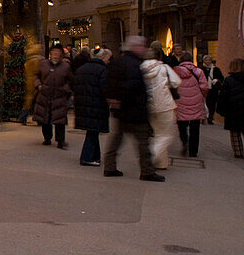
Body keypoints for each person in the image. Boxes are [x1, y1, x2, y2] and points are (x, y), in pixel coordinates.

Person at [104, 35, 162, 181]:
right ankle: (147, 171)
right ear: (136, 47)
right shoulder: (134, 64)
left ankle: (109, 167)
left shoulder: (118, 61)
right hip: (134, 110)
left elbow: (108, 82)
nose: (144, 49)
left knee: (116, 140)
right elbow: (132, 86)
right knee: (143, 142)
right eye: (142, 46)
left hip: (122, 110)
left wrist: (114, 99)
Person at [141, 46, 181, 170]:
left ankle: (161, 163)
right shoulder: (164, 68)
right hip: (165, 104)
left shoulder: (141, 68)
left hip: (149, 106)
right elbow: (176, 82)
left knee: (157, 134)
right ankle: (152, 155)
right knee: (167, 135)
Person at [72, 47, 111, 166]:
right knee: (93, 131)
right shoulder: (103, 70)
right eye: (109, 59)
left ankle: (95, 156)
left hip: (84, 104)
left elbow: (75, 86)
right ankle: (87, 157)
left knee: (93, 131)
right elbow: (105, 89)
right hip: (96, 105)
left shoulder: (82, 69)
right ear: (104, 58)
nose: (109, 61)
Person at [33, 45, 73, 149]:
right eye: (54, 52)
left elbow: (70, 80)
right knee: (45, 118)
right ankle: (47, 137)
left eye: (58, 52)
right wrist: (38, 85)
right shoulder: (43, 64)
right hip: (45, 94)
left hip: (59, 95)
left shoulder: (65, 66)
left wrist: (66, 89)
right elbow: (36, 75)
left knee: (60, 120)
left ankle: (60, 140)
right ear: (50, 53)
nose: (55, 54)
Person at [217, 58, 244, 159]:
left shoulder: (229, 80)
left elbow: (223, 96)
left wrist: (221, 109)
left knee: (234, 131)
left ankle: (238, 152)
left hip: (233, 108)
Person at [173, 52, 209, 157]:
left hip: (180, 101)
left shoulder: (175, 71)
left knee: (182, 124)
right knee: (195, 127)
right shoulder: (198, 71)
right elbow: (204, 87)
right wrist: (202, 96)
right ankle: (193, 151)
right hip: (196, 102)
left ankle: (185, 141)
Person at [20, 43, 44, 125]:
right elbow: (39, 71)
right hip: (36, 81)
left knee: (29, 100)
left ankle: (24, 116)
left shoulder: (29, 60)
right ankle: (38, 118)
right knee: (37, 100)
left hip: (29, 80)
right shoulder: (38, 60)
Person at [202, 55, 224, 125]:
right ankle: (204, 117)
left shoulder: (216, 69)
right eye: (206, 60)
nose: (208, 62)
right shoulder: (201, 69)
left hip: (213, 90)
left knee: (212, 104)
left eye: (209, 60)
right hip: (204, 89)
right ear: (204, 61)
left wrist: (216, 80)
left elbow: (221, 78)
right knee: (205, 104)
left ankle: (210, 118)